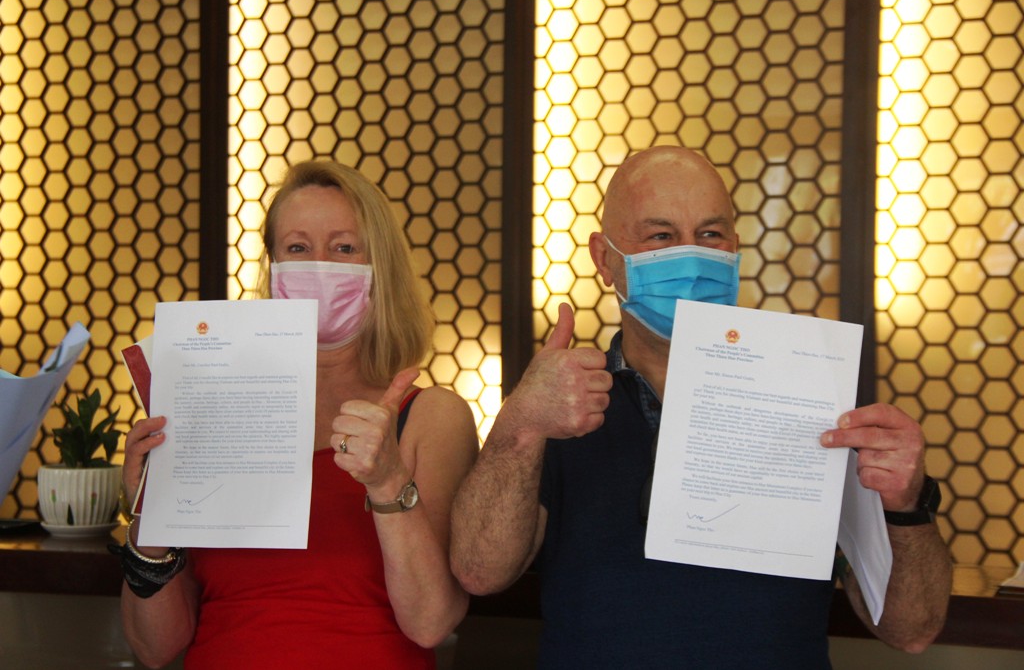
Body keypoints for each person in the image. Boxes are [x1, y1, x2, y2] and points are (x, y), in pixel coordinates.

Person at [449, 146, 951, 668]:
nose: (690, 256)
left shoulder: (812, 397)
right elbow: (481, 573)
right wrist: (521, 424)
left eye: (710, 235)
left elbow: (911, 629)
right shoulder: (562, 404)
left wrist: (907, 504)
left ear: (733, 249)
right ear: (605, 258)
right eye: (661, 236)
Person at [117, 160, 479, 669]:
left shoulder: (430, 417)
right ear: (272, 265)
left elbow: (431, 622)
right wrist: (148, 520)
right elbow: (156, 648)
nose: (321, 265)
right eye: (298, 248)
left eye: (344, 247)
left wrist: (387, 479)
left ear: (380, 266)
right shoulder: (212, 408)